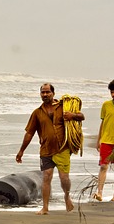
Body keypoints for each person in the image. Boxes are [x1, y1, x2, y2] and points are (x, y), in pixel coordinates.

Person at [16, 83, 85, 215]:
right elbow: (29, 133)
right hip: (46, 150)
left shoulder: (64, 107)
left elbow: (82, 116)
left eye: (48, 92)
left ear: (53, 93)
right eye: (43, 92)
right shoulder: (37, 113)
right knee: (46, 177)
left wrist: (73, 116)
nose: (45, 94)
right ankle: (45, 207)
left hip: (62, 149)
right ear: (40, 94)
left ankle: (66, 195)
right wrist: (21, 151)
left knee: (64, 178)